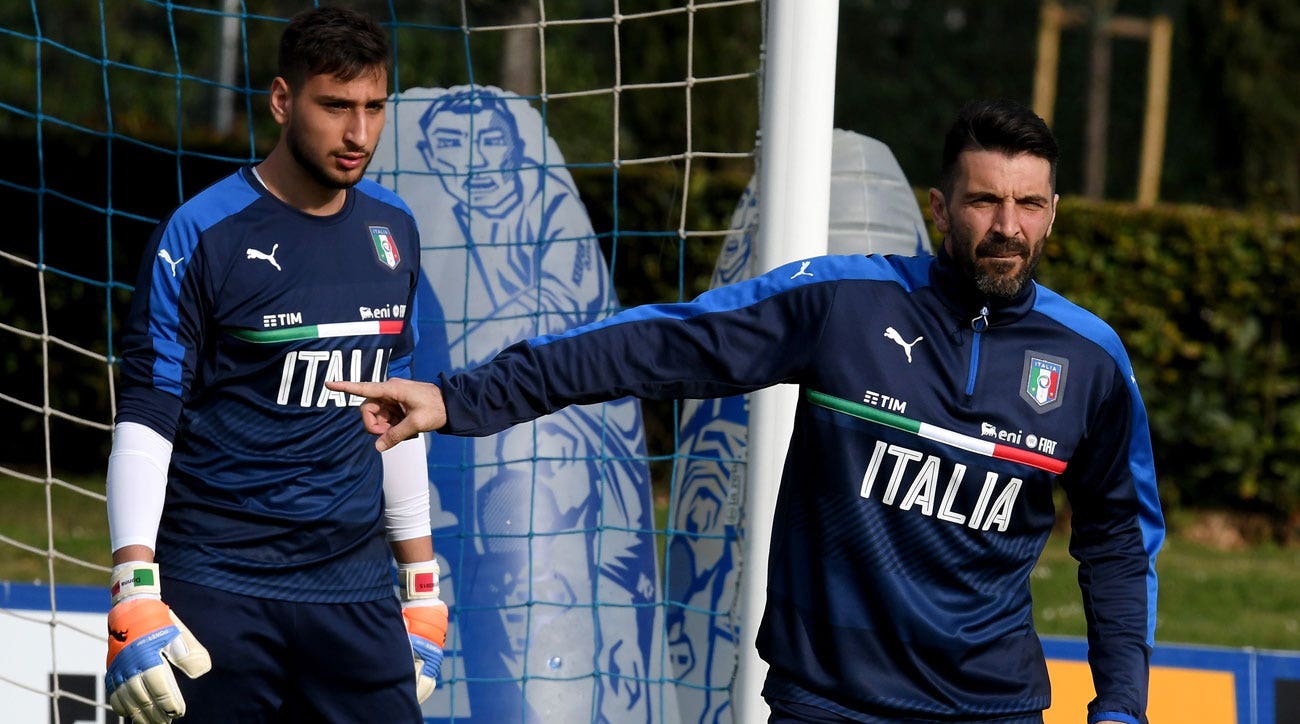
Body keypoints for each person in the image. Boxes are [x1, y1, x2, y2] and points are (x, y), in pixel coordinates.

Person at [330, 99, 1165, 724]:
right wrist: (462, 397)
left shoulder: (1089, 361)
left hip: (994, 707)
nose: (1007, 228)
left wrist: (1121, 706)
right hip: (829, 703)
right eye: (986, 202)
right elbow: (659, 345)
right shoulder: (844, 304)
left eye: (1030, 205)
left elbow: (1120, 545)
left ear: (1053, 214)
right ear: (942, 209)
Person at [103, 7, 446, 723]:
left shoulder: (395, 230)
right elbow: (148, 413)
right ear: (283, 100)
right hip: (217, 591)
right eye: (335, 107)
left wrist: (421, 585)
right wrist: (133, 585)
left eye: (374, 108)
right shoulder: (201, 233)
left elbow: (396, 416)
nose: (358, 134)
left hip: (354, 597)